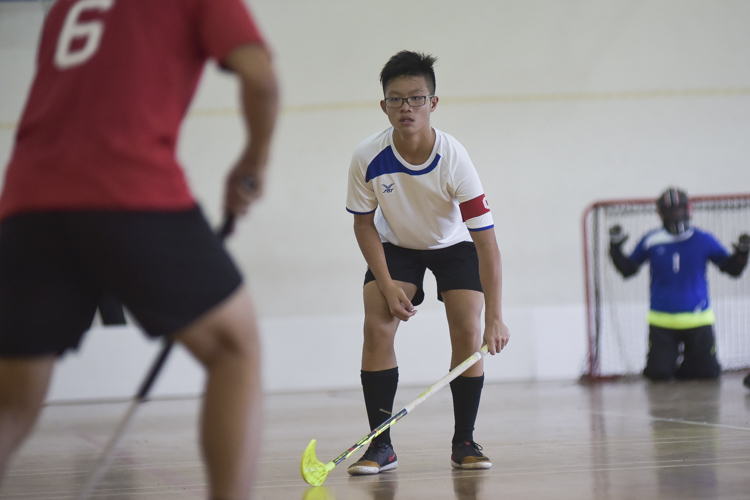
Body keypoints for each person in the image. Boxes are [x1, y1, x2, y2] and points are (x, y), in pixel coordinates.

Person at [0, 1, 278, 499]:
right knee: (235, 347)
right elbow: (261, 78)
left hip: (28, 201)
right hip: (128, 187)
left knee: (11, 402)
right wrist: (251, 164)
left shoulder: (67, 5)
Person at [345, 50, 510, 475]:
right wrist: (385, 284)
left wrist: (497, 316)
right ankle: (380, 446)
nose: (406, 108)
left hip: (453, 244)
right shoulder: (367, 156)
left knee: (468, 328)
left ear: (433, 103)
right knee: (377, 322)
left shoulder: (454, 158)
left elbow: (487, 244)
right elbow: (364, 225)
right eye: (396, 99)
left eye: (416, 98)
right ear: (383, 105)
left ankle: (465, 442)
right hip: (396, 244)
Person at [609, 187, 749, 381]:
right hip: (662, 321)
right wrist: (615, 249)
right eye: (669, 211)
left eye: (679, 209)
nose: (675, 215)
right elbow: (628, 270)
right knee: (658, 375)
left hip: (698, 319)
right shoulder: (651, 240)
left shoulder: (703, 240)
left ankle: (689, 367)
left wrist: (742, 253)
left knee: (705, 375)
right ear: (660, 213)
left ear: (688, 209)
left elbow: (731, 269)